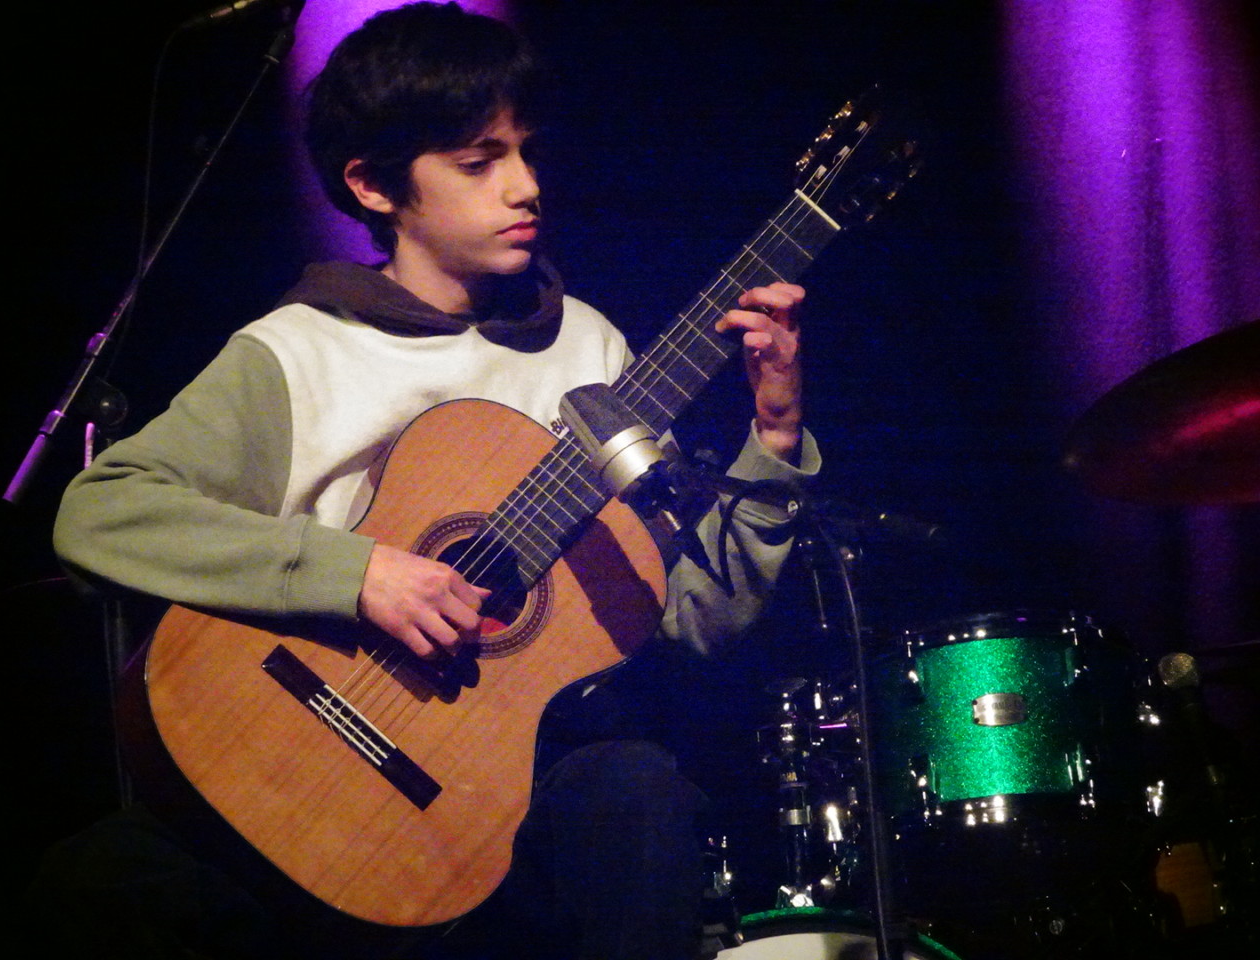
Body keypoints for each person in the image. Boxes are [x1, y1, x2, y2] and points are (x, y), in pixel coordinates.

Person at [48, 4, 819, 958]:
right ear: (374, 185)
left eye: (526, 152)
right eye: (478, 162)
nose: (526, 186)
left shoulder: (592, 354)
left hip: (486, 796)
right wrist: (358, 573)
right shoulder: (298, 351)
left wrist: (773, 436)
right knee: (91, 890)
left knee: (636, 793)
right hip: (296, 747)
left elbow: (690, 614)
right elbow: (104, 509)